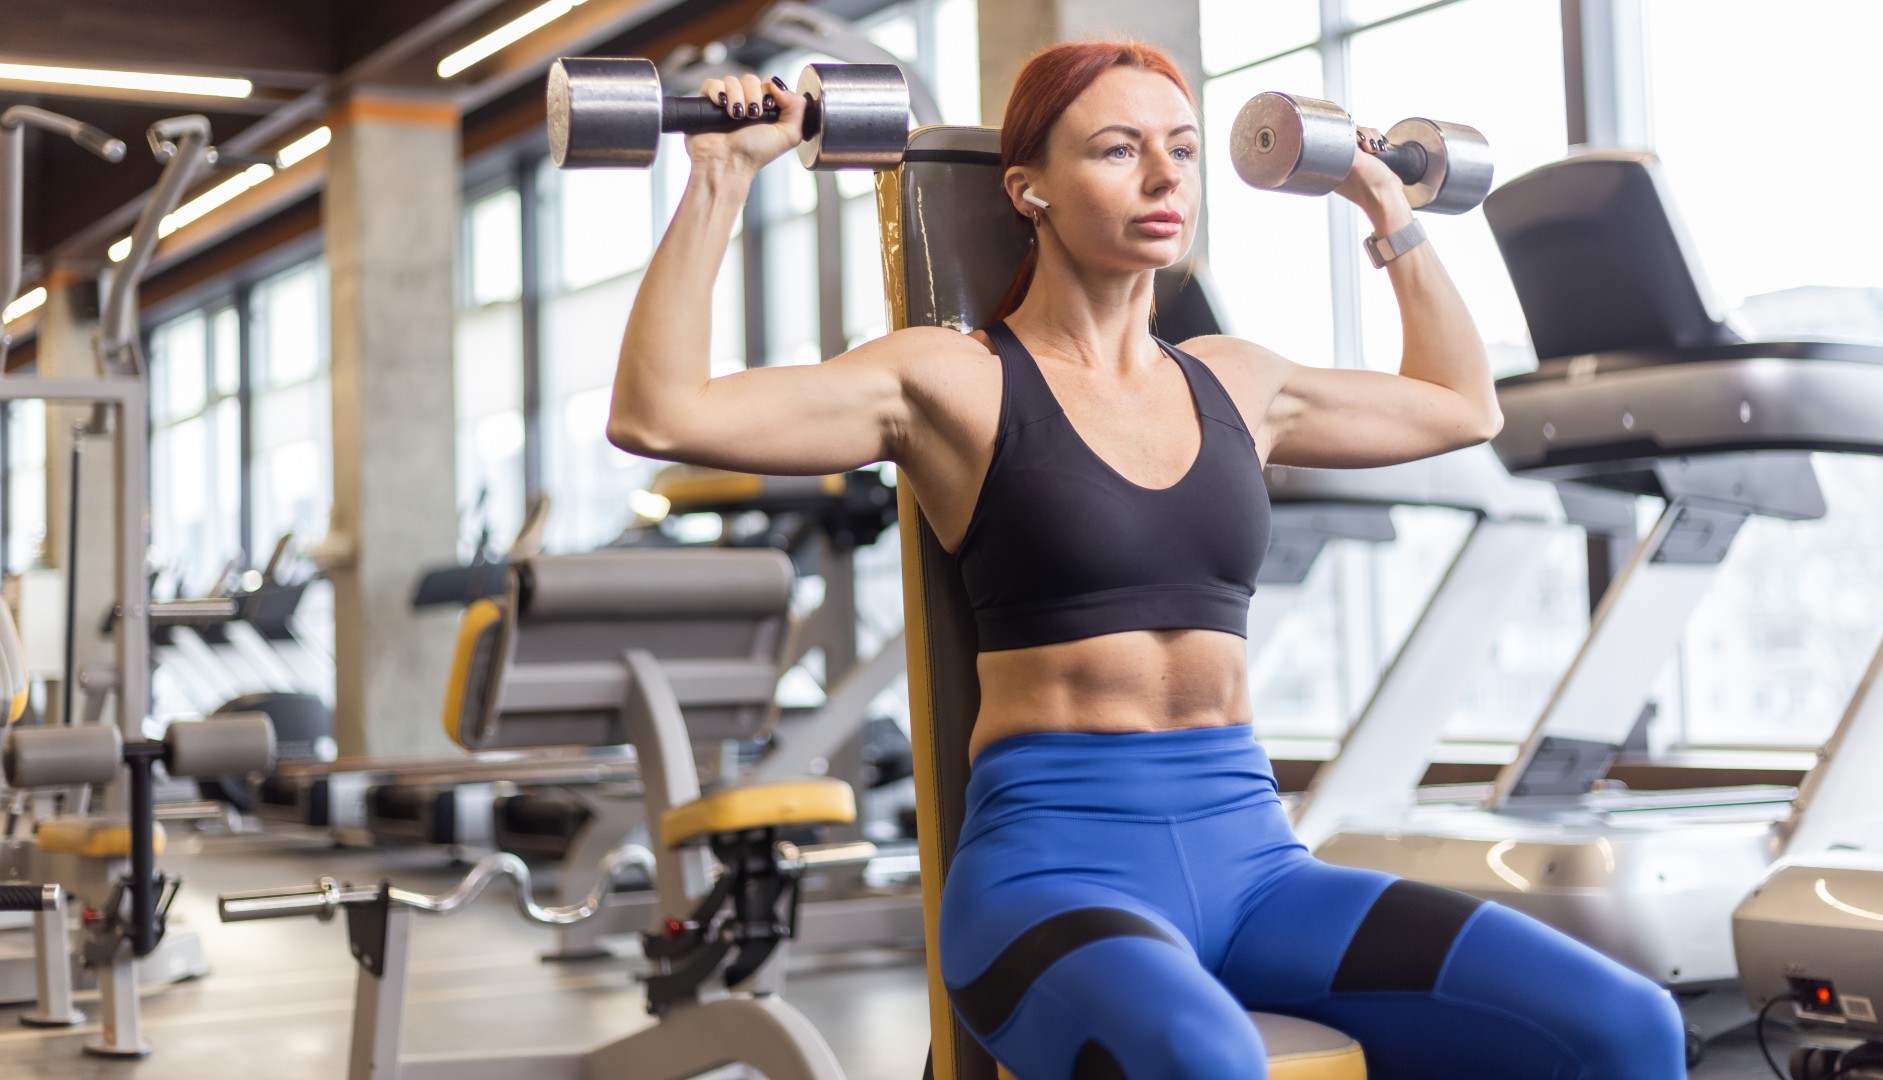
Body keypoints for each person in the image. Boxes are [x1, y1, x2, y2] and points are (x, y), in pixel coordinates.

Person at [607, 38, 1685, 1080]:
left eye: (1180, 144)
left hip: (1257, 869)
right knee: (1199, 1059)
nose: (1165, 171)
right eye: (1118, 148)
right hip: (1050, 882)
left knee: (1626, 1026)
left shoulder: (1237, 382)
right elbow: (660, 414)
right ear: (1029, 188)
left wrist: (1383, 201)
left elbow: (1462, 404)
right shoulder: (956, 382)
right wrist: (720, 177)